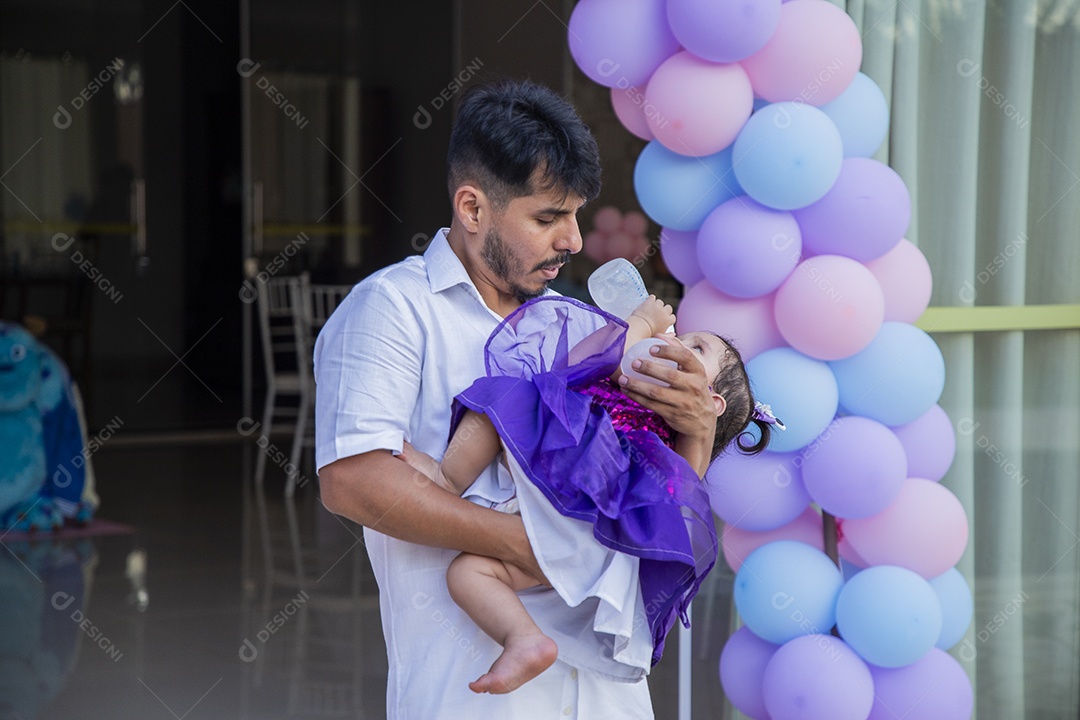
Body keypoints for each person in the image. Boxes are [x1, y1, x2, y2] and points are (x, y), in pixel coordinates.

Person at [315, 80, 721, 719]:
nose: (574, 241)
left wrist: (696, 435)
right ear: (472, 209)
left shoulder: (585, 327)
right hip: (471, 696)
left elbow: (651, 500)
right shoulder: (393, 310)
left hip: (612, 700)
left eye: (577, 215)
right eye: (547, 217)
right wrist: (528, 545)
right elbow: (353, 481)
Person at [398, 293, 777, 695]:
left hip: (585, 518)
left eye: (696, 348)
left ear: (709, 402)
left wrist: (640, 321)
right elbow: (579, 363)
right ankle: (522, 633)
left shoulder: (663, 447)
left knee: (504, 402)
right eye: (683, 336)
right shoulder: (624, 379)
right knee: (469, 563)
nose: (678, 343)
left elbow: (679, 492)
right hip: (561, 523)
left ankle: (448, 487)